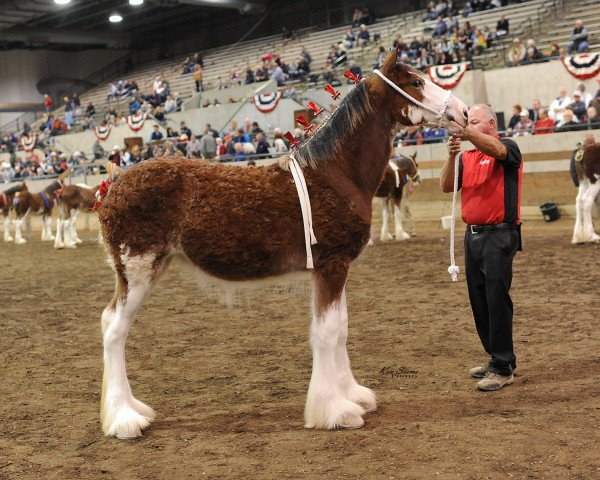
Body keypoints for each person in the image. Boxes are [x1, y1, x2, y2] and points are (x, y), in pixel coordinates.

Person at [440, 103, 522, 391]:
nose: (470, 127)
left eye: (474, 122)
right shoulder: (467, 157)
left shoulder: (507, 147)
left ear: (490, 123)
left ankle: (502, 366)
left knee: (496, 298)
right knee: (480, 299)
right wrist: (452, 157)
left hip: (499, 235)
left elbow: (498, 151)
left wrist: (466, 134)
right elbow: (447, 186)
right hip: (472, 235)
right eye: (468, 123)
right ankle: (497, 359)